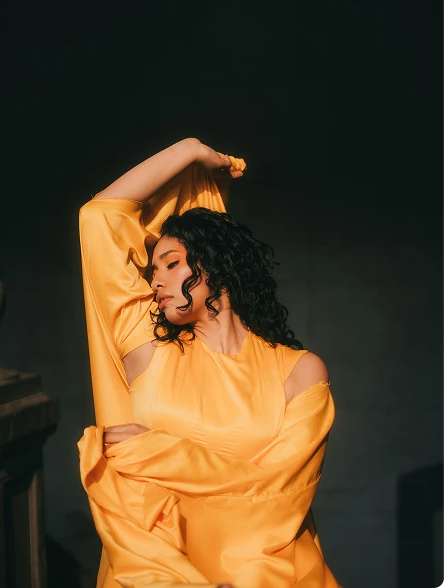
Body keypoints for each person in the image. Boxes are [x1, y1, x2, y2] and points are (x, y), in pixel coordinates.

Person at [77, 137, 340, 588]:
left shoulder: (299, 373)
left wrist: (156, 452)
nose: (155, 281)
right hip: (156, 575)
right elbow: (98, 218)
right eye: (153, 271)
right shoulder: (147, 347)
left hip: (263, 576)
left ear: (216, 266)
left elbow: (279, 494)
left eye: (171, 264)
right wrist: (190, 151)